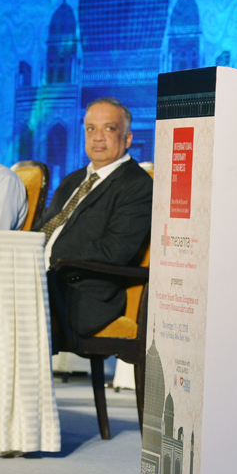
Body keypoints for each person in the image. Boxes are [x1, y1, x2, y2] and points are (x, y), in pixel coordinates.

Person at [33, 97, 153, 336]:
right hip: (43, 282)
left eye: (109, 128)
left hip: (83, 294)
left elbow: (115, 251)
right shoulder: (72, 180)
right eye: (90, 129)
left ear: (127, 138)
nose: (98, 137)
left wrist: (49, 258)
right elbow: (41, 231)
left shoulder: (137, 184)